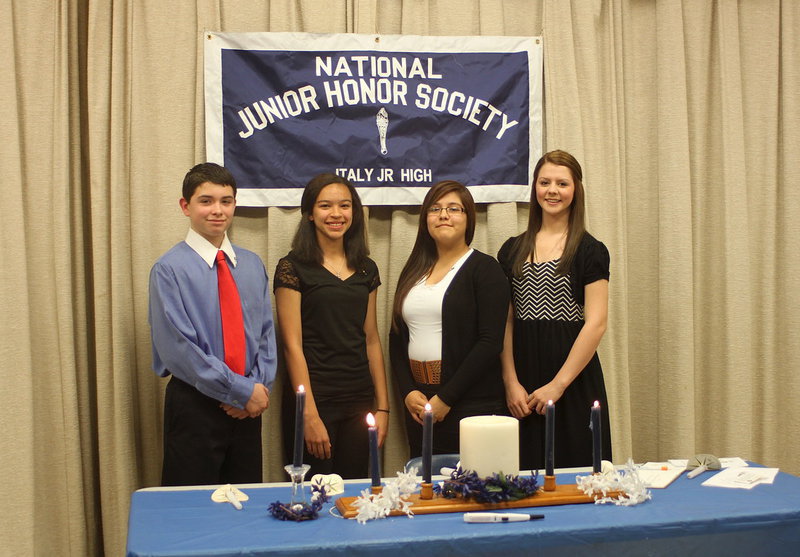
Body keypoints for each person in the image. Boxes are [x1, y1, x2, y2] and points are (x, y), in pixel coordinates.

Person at [149, 162, 277, 486]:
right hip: (196, 404)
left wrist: (256, 389)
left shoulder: (251, 264)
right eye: (206, 201)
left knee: (246, 503)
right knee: (194, 509)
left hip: (248, 409)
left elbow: (264, 333)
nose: (217, 210)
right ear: (185, 206)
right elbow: (179, 348)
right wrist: (240, 391)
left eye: (226, 201)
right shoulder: (168, 269)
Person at [498, 150, 612, 470]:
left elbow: (597, 323)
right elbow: (505, 322)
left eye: (562, 183)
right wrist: (510, 382)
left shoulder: (591, 251)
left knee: (577, 474)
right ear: (534, 188)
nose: (552, 190)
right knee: (523, 473)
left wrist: (558, 385)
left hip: (572, 381)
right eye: (544, 182)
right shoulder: (511, 249)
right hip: (523, 383)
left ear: (575, 190)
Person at [274, 173, 389, 479]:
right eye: (325, 206)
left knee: (354, 496)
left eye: (345, 206)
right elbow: (291, 345)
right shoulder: (292, 267)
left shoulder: (367, 267)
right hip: (315, 400)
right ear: (310, 213)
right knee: (313, 500)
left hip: (359, 401)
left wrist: (384, 408)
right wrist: (307, 413)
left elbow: (371, 339)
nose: (336, 214)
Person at [390, 180, 509, 458]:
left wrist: (446, 398)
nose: (443, 215)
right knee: (426, 488)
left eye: (453, 209)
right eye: (435, 209)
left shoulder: (485, 269)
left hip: (469, 405)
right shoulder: (414, 270)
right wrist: (408, 392)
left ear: (469, 219)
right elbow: (396, 336)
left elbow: (490, 342)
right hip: (420, 405)